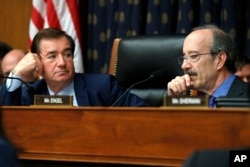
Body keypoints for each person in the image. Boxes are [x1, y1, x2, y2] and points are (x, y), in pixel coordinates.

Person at [0, 28, 148, 106]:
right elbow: (7, 120)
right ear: (37, 63)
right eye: (52, 56)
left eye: (67, 54)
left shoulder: (102, 86)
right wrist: (16, 73)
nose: (62, 63)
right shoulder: (29, 95)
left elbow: (142, 112)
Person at [167, 24, 250, 107]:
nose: (184, 66)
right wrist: (176, 100)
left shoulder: (246, 97)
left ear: (219, 60)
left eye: (193, 56)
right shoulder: (193, 98)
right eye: (184, 57)